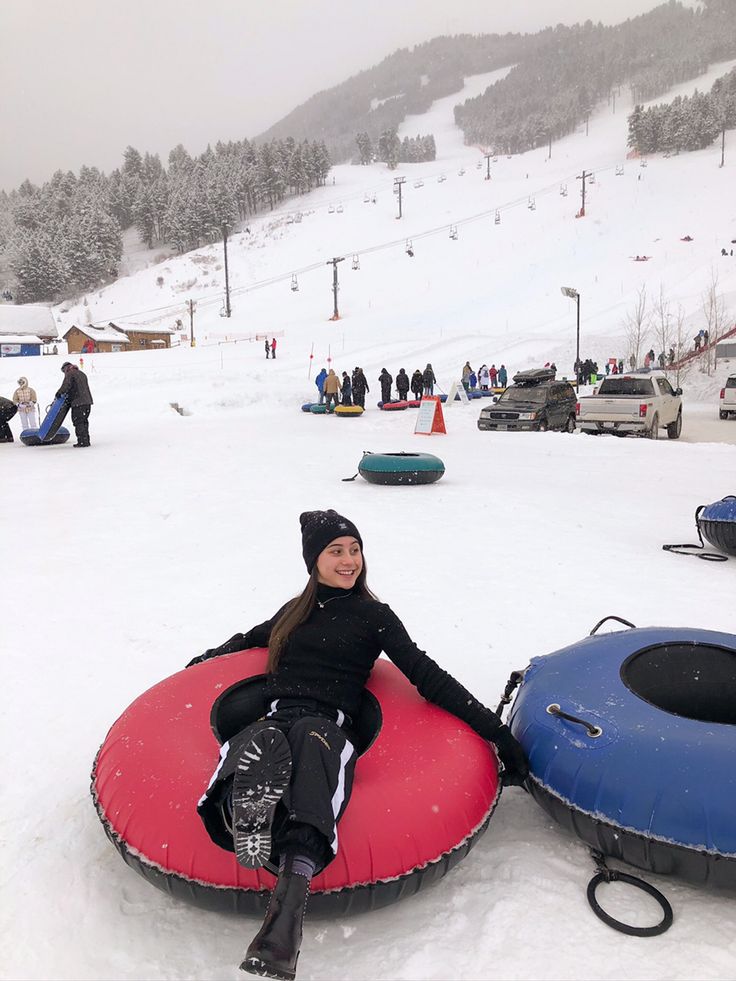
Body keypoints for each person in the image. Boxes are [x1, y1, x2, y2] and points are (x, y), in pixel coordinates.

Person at [189, 510, 528, 979]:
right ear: (314, 561)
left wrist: (496, 733)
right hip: (276, 716)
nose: (349, 560)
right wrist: (207, 660)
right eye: (336, 551)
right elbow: (250, 640)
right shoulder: (295, 611)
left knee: (314, 746)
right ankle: (245, 819)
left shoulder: (374, 617)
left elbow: (428, 677)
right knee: (253, 741)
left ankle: (283, 919)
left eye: (354, 549)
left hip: (328, 722)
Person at [55, 362, 93, 447]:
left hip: (78, 402)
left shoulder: (70, 373)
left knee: (78, 422)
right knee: (84, 421)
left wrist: (59, 393)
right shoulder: (82, 373)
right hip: (87, 402)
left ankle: (82, 442)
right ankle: (86, 440)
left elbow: (66, 385)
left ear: (65, 368)